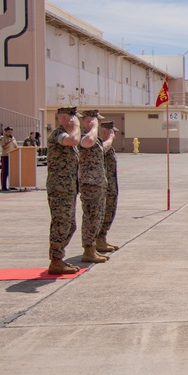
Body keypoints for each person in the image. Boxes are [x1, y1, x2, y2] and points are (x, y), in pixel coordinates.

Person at [47, 107, 82, 275]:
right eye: (74, 118)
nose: (77, 121)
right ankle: (56, 260)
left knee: (70, 225)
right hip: (59, 188)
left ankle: (58, 257)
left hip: (68, 188)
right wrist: (75, 127)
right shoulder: (58, 134)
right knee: (61, 224)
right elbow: (73, 141)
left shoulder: (67, 135)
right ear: (65, 118)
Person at [78, 110, 109, 264]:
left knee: (97, 216)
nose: (100, 124)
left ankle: (92, 248)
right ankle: (88, 249)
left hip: (97, 182)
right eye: (97, 121)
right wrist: (93, 127)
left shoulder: (93, 136)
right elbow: (88, 142)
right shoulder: (85, 135)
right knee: (91, 216)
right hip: (90, 183)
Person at [96, 121, 120, 253]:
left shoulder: (109, 146)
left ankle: (102, 239)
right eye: (112, 132)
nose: (114, 135)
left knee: (109, 212)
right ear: (105, 132)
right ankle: (97, 241)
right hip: (103, 186)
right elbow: (100, 152)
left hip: (111, 185)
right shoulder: (99, 144)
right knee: (101, 213)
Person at [0, 126, 17, 191]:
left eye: (11, 132)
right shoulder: (2, 138)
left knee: (12, 172)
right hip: (5, 156)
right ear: (5, 132)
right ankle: (3, 186)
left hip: (12, 156)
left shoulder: (13, 138)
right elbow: (4, 147)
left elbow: (16, 146)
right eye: (8, 132)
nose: (10, 133)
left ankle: (12, 185)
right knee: (5, 171)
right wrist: (10, 141)